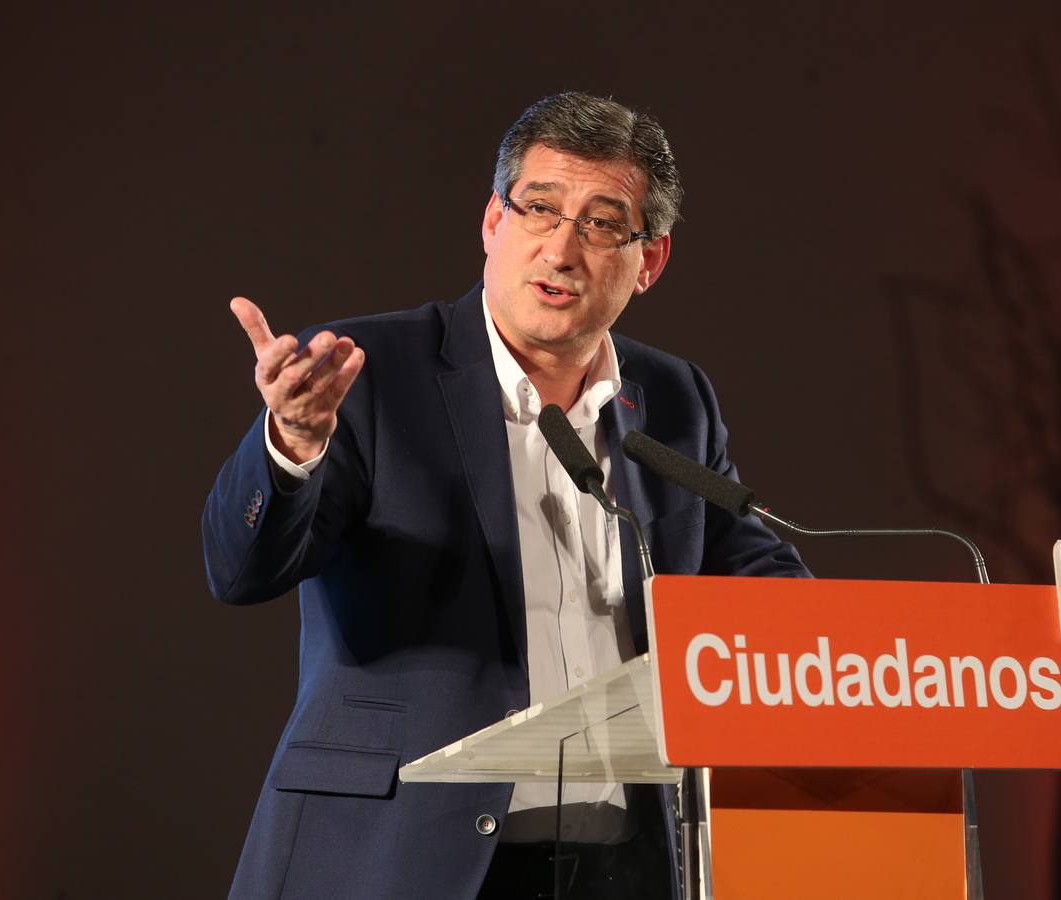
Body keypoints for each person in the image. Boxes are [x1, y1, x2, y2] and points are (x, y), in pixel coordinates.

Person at [203, 92, 809, 900]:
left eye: (600, 223)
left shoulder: (671, 397)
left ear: (649, 260)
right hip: (398, 855)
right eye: (538, 209)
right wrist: (292, 448)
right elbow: (240, 572)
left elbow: (756, 579)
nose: (561, 250)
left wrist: (861, 657)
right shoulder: (367, 371)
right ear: (493, 223)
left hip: (617, 858)